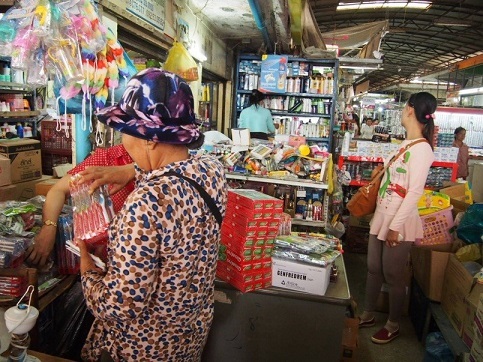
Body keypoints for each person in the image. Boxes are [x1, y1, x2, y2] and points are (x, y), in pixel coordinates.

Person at [78, 68, 228, 361]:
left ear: (148, 138)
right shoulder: (213, 173)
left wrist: (88, 268)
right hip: (189, 336)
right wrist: (131, 171)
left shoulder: (144, 205)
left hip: (144, 349)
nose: (123, 139)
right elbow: (176, 173)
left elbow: (120, 305)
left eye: (125, 130)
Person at [358, 92, 436, 344]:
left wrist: (396, 227)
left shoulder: (423, 149)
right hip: (381, 216)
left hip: (398, 222)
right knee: (373, 269)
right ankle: (368, 313)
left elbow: (414, 192)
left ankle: (392, 324)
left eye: (404, 106)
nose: (403, 110)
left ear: (411, 110)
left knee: (393, 276)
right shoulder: (405, 143)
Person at [25, 145, 135, 267]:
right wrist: (49, 227)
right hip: (101, 262)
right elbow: (58, 191)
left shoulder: (157, 169)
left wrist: (132, 170)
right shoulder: (108, 157)